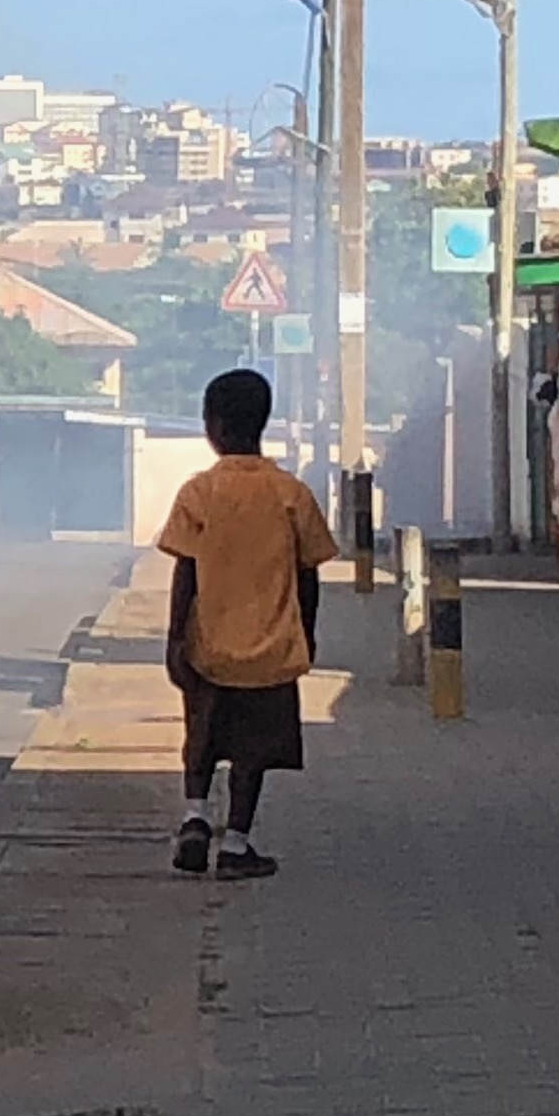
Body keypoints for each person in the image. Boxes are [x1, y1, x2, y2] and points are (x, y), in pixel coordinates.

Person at [159, 365, 336, 880]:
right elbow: (309, 575)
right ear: (264, 421)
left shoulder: (199, 492)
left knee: (202, 737)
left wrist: (175, 638)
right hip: (272, 649)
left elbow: (184, 570)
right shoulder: (291, 494)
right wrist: (306, 631)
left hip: (208, 645)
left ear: (211, 426)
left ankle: (194, 818)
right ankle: (235, 844)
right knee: (250, 754)